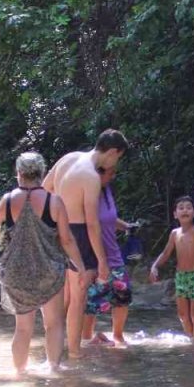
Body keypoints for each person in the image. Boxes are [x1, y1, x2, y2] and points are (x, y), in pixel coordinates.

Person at [0, 152, 84, 376]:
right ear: (41, 173)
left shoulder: (6, 201)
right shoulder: (54, 201)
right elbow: (67, 239)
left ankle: (19, 374)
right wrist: (80, 266)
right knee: (53, 324)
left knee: (22, 328)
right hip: (48, 271)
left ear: (19, 173)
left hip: (16, 272)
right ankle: (53, 369)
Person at [43, 129, 129, 358]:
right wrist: (102, 261)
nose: (115, 162)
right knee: (78, 298)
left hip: (56, 230)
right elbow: (92, 224)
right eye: (117, 158)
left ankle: (54, 352)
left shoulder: (69, 158)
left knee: (62, 298)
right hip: (79, 233)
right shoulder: (91, 176)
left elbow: (45, 188)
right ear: (112, 152)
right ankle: (73, 354)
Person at [83, 168, 134, 347]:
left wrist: (127, 226)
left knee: (123, 295)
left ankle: (118, 337)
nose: (113, 176)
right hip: (93, 258)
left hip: (114, 255)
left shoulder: (107, 191)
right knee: (91, 303)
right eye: (109, 173)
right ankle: (86, 341)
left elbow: (109, 219)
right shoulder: (86, 192)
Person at [150, 196, 194, 343]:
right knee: (182, 314)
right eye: (181, 208)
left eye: (188, 207)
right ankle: (190, 340)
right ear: (175, 214)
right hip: (181, 276)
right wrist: (155, 265)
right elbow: (166, 253)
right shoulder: (175, 233)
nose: (185, 210)